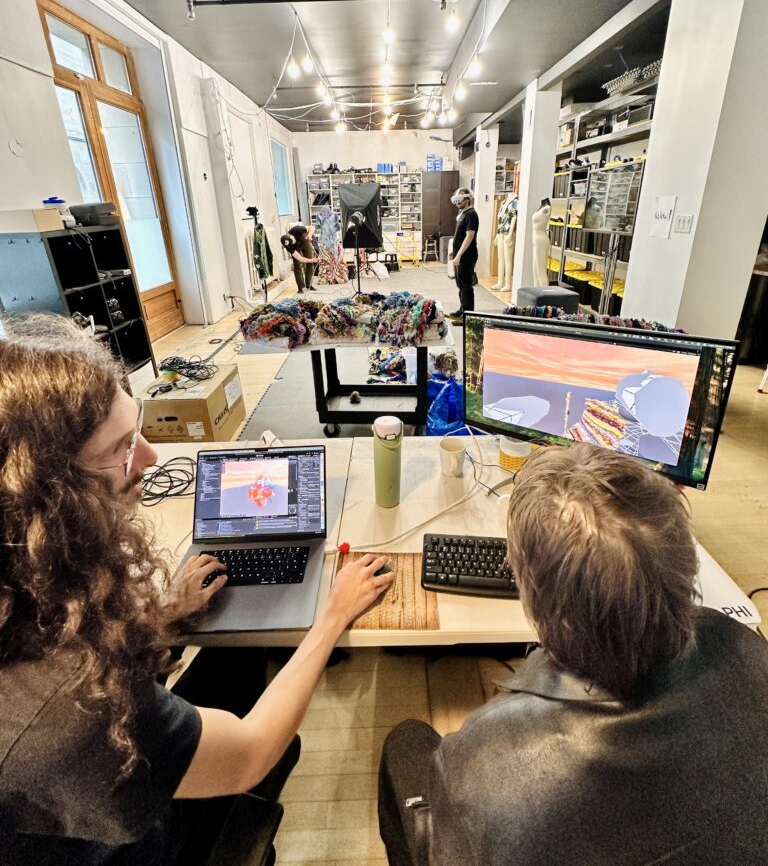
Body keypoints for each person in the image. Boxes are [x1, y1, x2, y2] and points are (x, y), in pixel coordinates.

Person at [0, 313, 394, 866]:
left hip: (75, 804)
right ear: (51, 494)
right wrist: (331, 614)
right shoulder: (65, 712)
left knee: (237, 651)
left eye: (137, 433)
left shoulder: (20, 581)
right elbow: (253, 751)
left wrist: (164, 614)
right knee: (270, 722)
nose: (150, 459)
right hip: (140, 847)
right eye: (120, 449)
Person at [378, 443, 768, 866]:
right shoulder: (747, 647)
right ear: (685, 564)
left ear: (532, 595)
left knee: (406, 741)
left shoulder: (481, 762)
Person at [447, 188, 478, 322]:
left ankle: (468, 316)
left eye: (460, 200)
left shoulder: (471, 214)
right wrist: (454, 253)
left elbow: (469, 236)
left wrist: (459, 255)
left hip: (467, 256)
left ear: (467, 199)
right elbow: (459, 237)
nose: (458, 203)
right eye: (456, 200)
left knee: (466, 285)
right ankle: (462, 310)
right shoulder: (463, 214)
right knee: (460, 284)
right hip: (460, 255)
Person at [281, 223, 319, 293]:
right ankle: (300, 287)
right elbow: (300, 258)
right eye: (292, 243)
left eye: (293, 241)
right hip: (297, 248)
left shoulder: (296, 229)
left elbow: (312, 227)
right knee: (297, 265)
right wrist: (312, 260)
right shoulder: (289, 247)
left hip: (305, 241)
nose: (293, 242)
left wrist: (309, 235)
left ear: (291, 236)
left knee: (310, 264)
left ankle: (309, 284)